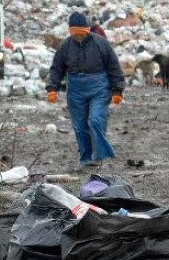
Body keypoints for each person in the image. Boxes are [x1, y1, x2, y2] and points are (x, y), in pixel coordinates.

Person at [46, 12, 125, 168]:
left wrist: (117, 90)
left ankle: (98, 155)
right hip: (76, 89)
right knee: (80, 126)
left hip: (99, 87)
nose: (78, 36)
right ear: (70, 32)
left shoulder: (101, 43)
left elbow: (114, 67)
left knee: (96, 120)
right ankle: (86, 157)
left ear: (88, 30)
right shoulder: (65, 46)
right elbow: (56, 69)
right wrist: (52, 88)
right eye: (74, 33)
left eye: (81, 33)